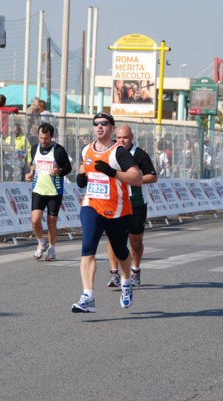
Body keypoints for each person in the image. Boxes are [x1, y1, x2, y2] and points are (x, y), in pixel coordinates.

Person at [71, 112, 143, 313]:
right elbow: (84, 168)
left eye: (104, 124)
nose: (99, 127)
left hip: (118, 210)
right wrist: (81, 177)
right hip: (92, 205)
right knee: (87, 248)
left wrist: (112, 172)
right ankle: (88, 296)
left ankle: (126, 281)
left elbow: (136, 178)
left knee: (120, 250)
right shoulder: (87, 149)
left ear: (112, 128)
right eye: (96, 124)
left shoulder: (118, 152)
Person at [106, 124, 157, 288]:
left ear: (132, 137)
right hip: (115, 201)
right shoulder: (111, 151)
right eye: (119, 137)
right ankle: (114, 274)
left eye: (125, 138)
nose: (121, 140)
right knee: (112, 237)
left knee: (135, 240)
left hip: (136, 203)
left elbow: (153, 176)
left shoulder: (139, 154)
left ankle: (135, 269)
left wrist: (135, 179)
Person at [25, 122, 72, 261]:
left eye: (46, 138)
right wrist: (30, 174)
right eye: (40, 138)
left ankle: (52, 249)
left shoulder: (58, 150)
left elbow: (68, 168)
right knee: (35, 220)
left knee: (51, 222)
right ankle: (41, 243)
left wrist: (59, 171)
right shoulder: (34, 148)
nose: (43, 141)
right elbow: (33, 165)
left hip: (54, 191)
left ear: (51, 137)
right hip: (38, 189)